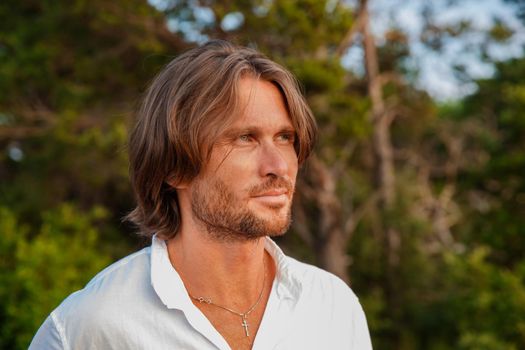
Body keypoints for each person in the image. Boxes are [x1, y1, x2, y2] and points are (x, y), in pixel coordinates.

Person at [29, 40, 372, 350]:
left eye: (285, 138)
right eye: (245, 138)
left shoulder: (333, 307)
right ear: (174, 167)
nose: (279, 166)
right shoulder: (88, 328)